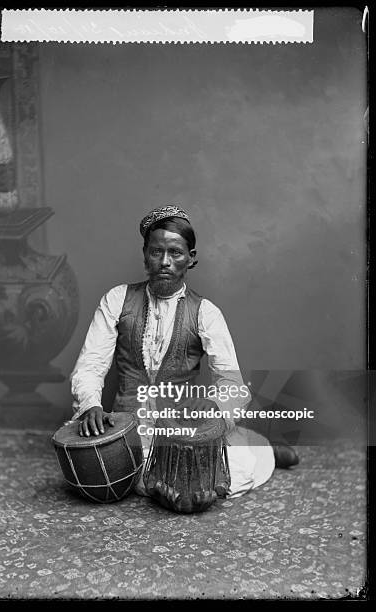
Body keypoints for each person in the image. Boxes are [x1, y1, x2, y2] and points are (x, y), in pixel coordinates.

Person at [69, 205, 298, 498]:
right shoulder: (116, 300)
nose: (165, 262)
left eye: (175, 253)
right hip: (128, 428)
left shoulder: (206, 313)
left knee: (233, 467)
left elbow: (233, 385)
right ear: (145, 255)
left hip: (182, 429)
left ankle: (263, 451)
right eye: (156, 252)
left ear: (191, 259)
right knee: (108, 469)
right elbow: (90, 364)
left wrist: (215, 404)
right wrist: (90, 405)